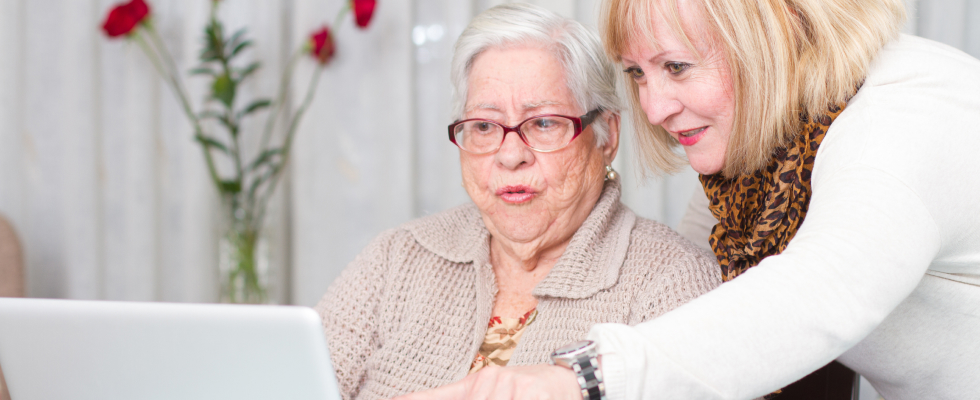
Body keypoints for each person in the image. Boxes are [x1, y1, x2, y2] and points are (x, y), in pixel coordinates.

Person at [396, 0, 980, 399]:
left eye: (676, 66)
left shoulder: (904, 120)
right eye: (639, 74)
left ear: (768, 39)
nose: (653, 108)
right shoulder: (754, 165)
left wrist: (570, 379)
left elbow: (819, 292)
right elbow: (698, 321)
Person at [314, 4, 722, 400]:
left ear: (606, 137)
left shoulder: (673, 284)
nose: (510, 156)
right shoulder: (397, 258)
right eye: (485, 126)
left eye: (544, 122)